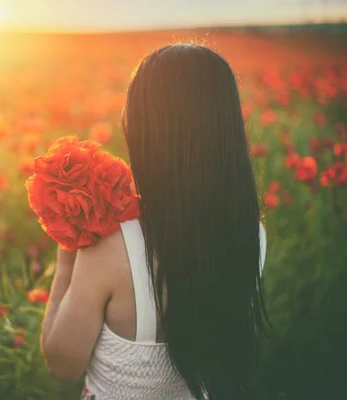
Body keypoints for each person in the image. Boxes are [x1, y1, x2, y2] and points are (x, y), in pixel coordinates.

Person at [39, 44, 269, 400]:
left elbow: (61, 365)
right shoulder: (252, 234)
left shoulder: (113, 250)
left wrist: (69, 249)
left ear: (146, 129)